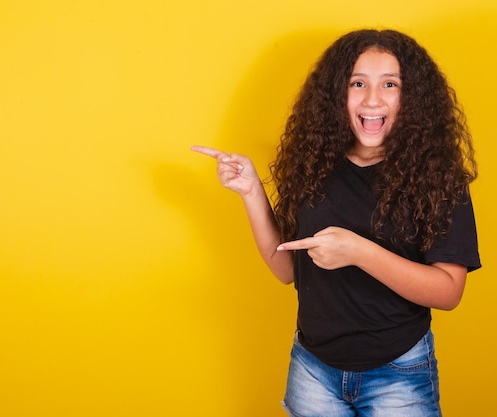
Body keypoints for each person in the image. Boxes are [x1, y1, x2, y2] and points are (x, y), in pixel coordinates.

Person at [192, 28, 480, 417]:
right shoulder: (312, 164)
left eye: (389, 84)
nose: (372, 99)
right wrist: (251, 192)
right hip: (312, 369)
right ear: (336, 95)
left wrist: (360, 252)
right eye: (357, 83)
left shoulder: (438, 178)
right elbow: (286, 270)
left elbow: (448, 292)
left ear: (411, 98)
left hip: (398, 372)